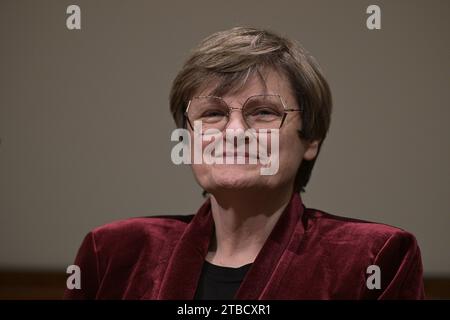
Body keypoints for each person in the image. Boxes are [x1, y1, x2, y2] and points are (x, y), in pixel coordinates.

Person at [64, 27, 424, 299]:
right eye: (213, 113)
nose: (234, 132)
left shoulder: (375, 257)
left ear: (311, 138)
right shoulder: (112, 252)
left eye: (264, 112)